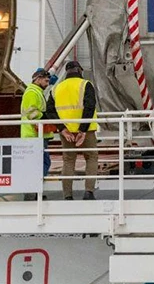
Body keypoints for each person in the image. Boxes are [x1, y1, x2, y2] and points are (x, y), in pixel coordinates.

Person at [53, 59, 98, 201]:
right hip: (86, 131)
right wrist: (82, 130)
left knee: (68, 160)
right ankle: (88, 192)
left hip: (66, 133)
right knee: (91, 158)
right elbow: (89, 107)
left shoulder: (57, 88)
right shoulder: (85, 85)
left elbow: (50, 111)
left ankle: (67, 195)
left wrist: (62, 129)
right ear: (79, 71)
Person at [21, 68, 55, 200]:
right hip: (33, 135)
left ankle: (34, 191)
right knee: (42, 163)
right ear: (38, 79)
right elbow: (32, 113)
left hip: (36, 135)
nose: (47, 83)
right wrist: (45, 117)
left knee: (38, 164)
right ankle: (32, 191)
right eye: (46, 81)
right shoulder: (32, 92)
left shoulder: (36, 91)